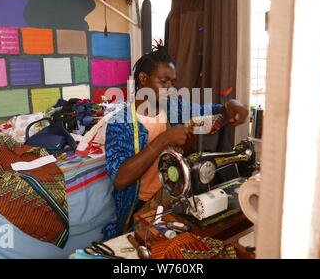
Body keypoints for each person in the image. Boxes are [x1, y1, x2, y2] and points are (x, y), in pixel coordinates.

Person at [103, 45, 249, 239]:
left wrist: (235, 106)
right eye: (163, 82)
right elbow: (120, 180)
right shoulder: (120, 122)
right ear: (143, 78)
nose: (170, 89)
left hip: (174, 200)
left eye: (172, 83)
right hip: (139, 208)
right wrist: (164, 139)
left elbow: (216, 111)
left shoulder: (174, 108)